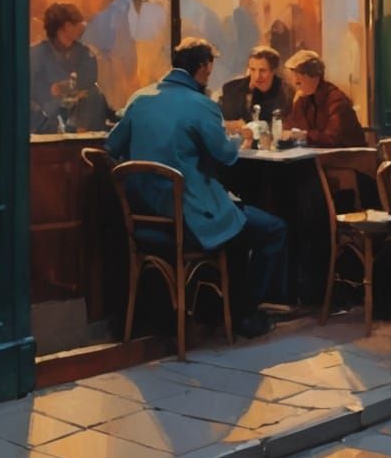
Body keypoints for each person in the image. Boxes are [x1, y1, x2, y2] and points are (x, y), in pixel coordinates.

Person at [105, 37, 286, 338]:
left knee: (239, 223)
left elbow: (111, 146)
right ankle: (243, 314)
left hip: (144, 216)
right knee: (270, 229)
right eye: (210, 68)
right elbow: (226, 156)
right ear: (203, 67)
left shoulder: (139, 98)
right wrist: (239, 138)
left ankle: (216, 308)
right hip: (189, 216)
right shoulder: (201, 105)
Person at [29, 2, 111, 132]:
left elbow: (89, 80)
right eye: (78, 23)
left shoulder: (85, 53)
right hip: (46, 121)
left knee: (94, 94)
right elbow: (32, 91)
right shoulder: (36, 55)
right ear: (67, 27)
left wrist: (65, 88)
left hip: (80, 117)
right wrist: (54, 92)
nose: (83, 27)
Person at [281, 49, 365, 148]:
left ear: (315, 76)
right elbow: (290, 129)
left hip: (348, 155)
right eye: (294, 75)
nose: (295, 81)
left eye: (301, 74)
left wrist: (302, 135)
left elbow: (332, 138)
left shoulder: (336, 99)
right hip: (318, 154)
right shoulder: (302, 99)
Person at [219, 45, 291, 133]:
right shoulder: (231, 88)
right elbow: (219, 119)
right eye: (252, 70)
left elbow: (284, 125)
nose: (257, 76)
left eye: (263, 71)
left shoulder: (285, 92)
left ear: (273, 71)